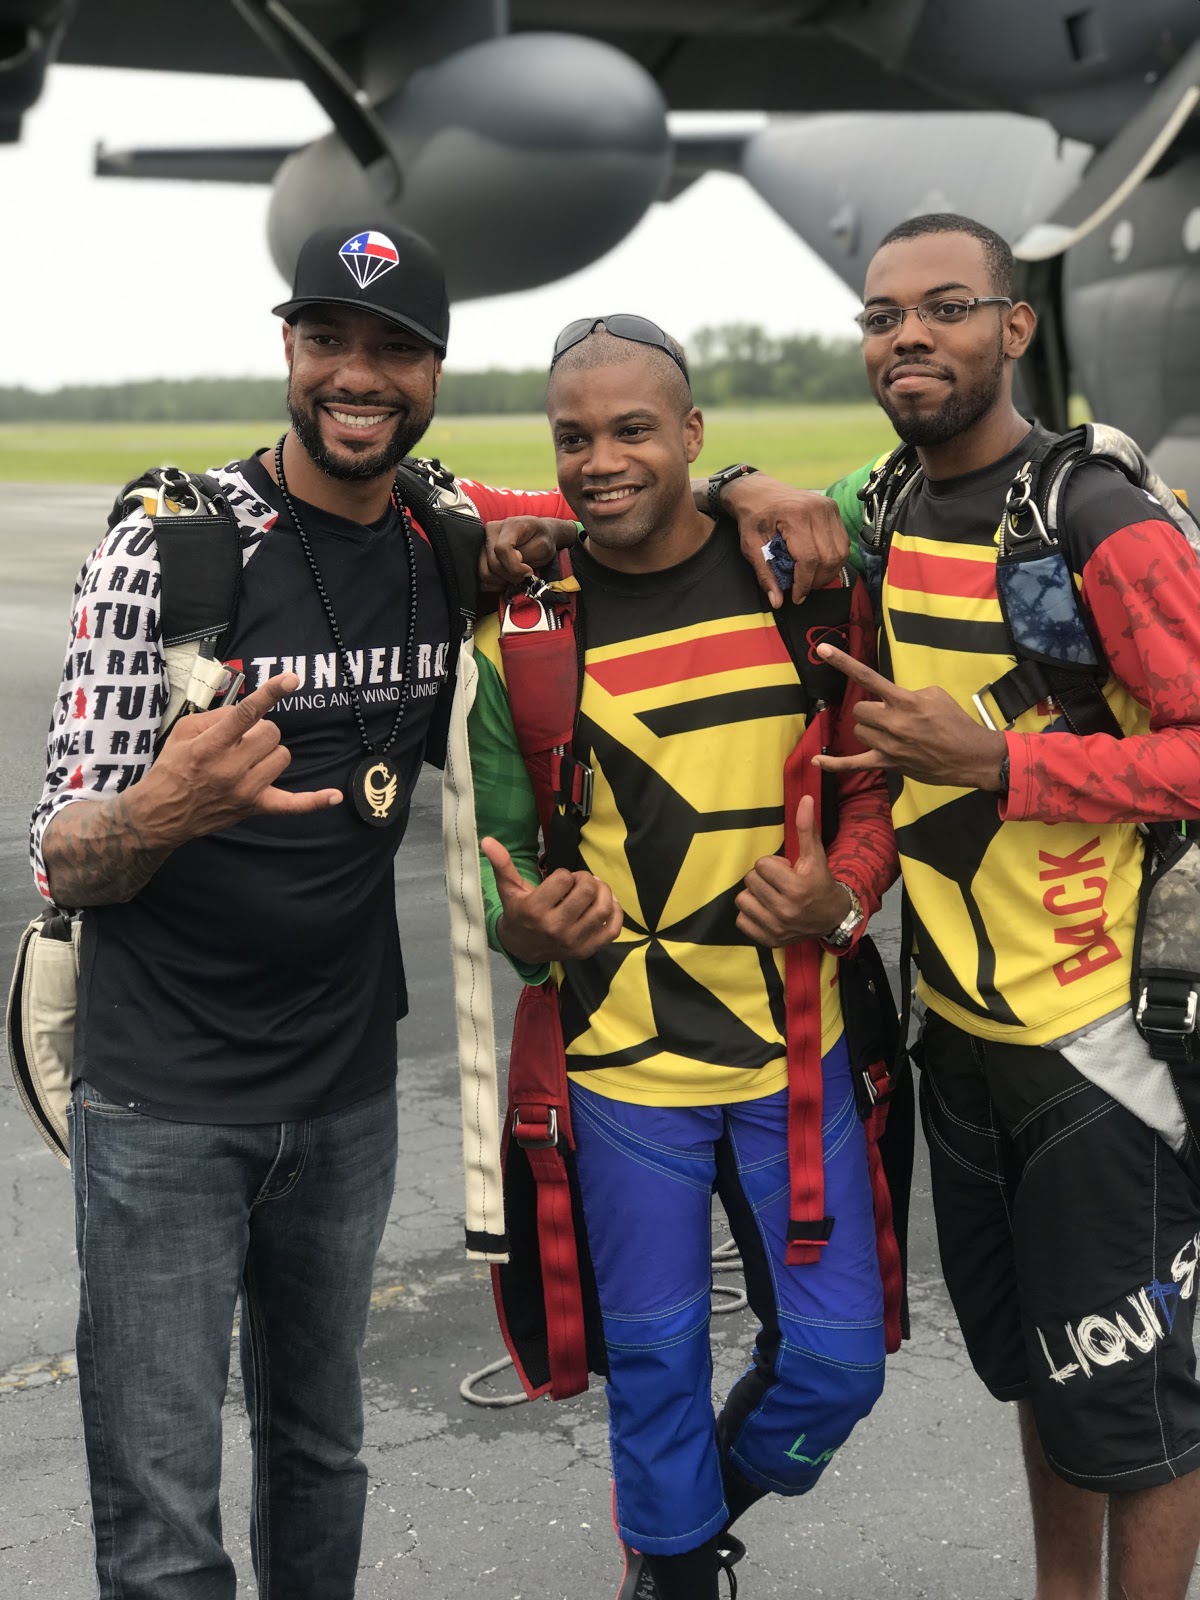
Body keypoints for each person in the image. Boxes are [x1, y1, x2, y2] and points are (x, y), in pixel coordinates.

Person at [30, 222, 842, 1600]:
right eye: (330, 339)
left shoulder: (445, 537)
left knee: (321, 1459)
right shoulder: (169, 554)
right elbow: (63, 855)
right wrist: (168, 809)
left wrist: (755, 481)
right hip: (163, 1102)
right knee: (163, 1514)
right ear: (288, 351)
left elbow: (632, 480)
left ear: (433, 375)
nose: (361, 374)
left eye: (394, 348)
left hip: (344, 1097)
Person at [466, 319, 900, 1600]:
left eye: (634, 429)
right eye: (574, 438)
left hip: (795, 1058)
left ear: (696, 437)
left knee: (837, 1367)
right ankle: (672, 1565)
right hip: (618, 1075)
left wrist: (842, 894)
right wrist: (525, 930)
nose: (601, 460)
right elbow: (499, 873)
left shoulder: (810, 584)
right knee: (651, 1362)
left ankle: (689, 1512)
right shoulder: (522, 636)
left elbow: (870, 800)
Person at [806, 214, 1200, 1600]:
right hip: (959, 1032)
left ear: (1016, 328)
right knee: (1045, 1363)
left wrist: (1002, 761)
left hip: (1094, 1047)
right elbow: (768, 523)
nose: (908, 335)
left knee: (1139, 1407)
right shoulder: (892, 503)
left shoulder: (1094, 514)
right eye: (882, 316)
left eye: (947, 307)